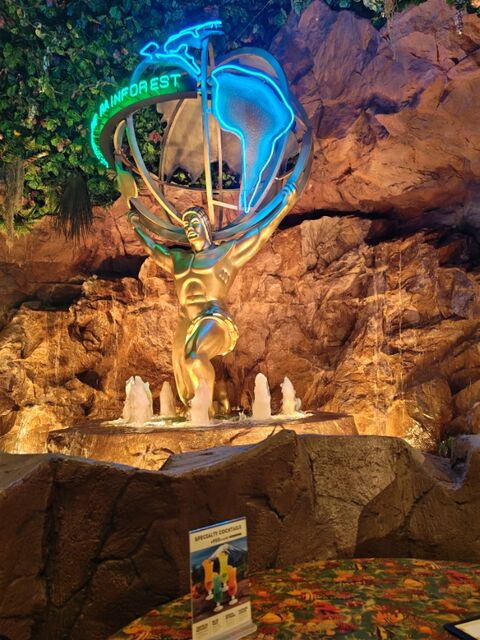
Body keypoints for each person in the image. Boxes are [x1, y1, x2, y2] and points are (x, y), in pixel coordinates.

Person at [130, 186, 295, 411]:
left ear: (206, 227)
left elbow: (259, 235)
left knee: (194, 357)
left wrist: (285, 205)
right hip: (187, 322)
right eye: (187, 225)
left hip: (213, 318)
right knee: (184, 381)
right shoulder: (179, 259)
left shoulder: (225, 254)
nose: (190, 229)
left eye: (195, 223)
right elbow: (153, 250)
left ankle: (205, 412)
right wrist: (136, 226)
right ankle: (209, 405)